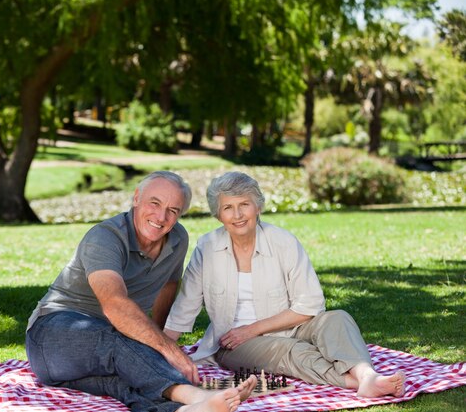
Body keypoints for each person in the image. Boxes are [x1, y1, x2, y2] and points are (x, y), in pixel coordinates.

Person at [26, 171, 257, 412]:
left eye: (173, 210)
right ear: (136, 198)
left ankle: (185, 410)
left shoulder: (177, 239)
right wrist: (166, 349)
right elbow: (114, 304)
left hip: (90, 362)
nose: (161, 216)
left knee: (129, 384)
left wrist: (159, 339)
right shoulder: (105, 237)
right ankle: (196, 395)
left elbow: (169, 284)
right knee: (119, 340)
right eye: (154, 203)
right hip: (52, 338)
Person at [164, 171, 406, 398]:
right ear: (218, 214)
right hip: (235, 344)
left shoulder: (283, 242)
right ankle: (354, 383)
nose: (237, 215)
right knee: (289, 351)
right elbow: (185, 307)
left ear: (257, 207)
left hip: (291, 328)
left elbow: (310, 304)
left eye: (244, 205)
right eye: (228, 207)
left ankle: (367, 375)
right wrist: (160, 350)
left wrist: (254, 328)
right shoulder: (207, 248)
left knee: (338, 318)